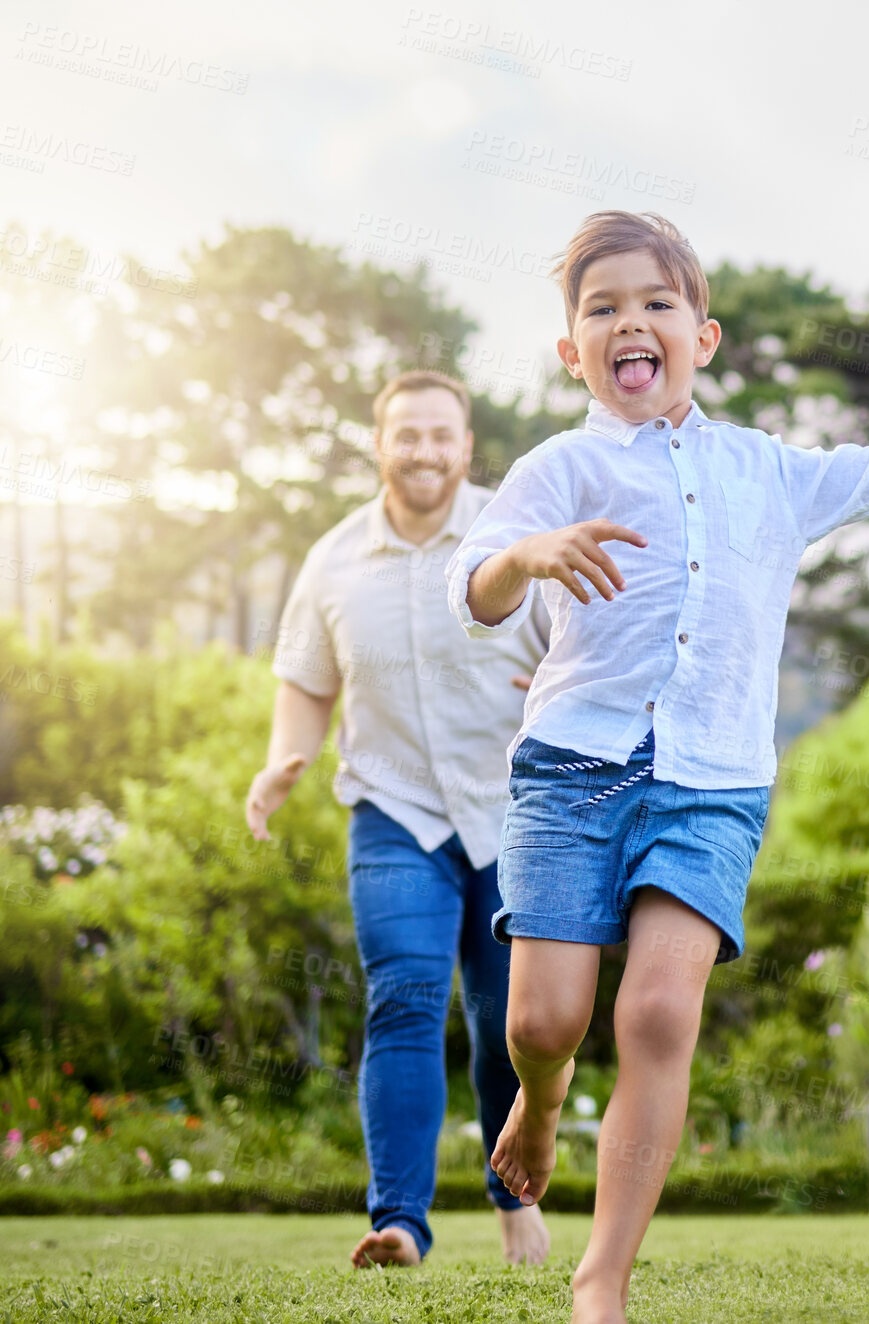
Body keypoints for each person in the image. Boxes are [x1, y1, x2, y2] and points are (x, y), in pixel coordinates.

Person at [445, 210, 869, 1322]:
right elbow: (476, 588)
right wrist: (527, 552)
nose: (632, 322)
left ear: (701, 337)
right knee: (542, 1021)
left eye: (656, 303)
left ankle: (601, 1275)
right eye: (603, 307)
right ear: (573, 352)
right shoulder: (559, 466)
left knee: (661, 1014)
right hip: (571, 769)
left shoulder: (766, 470)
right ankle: (537, 1092)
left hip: (712, 779)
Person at [245, 370, 553, 1269]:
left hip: (518, 813)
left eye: (440, 435)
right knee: (404, 1001)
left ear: (465, 445)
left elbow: (582, 642)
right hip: (393, 812)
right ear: (379, 444)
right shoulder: (334, 559)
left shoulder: (514, 535)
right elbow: (305, 683)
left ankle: (513, 1194)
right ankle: (399, 1223)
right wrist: (280, 763)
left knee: (511, 1019)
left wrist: (572, 690)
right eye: (406, 434)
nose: (423, 450)